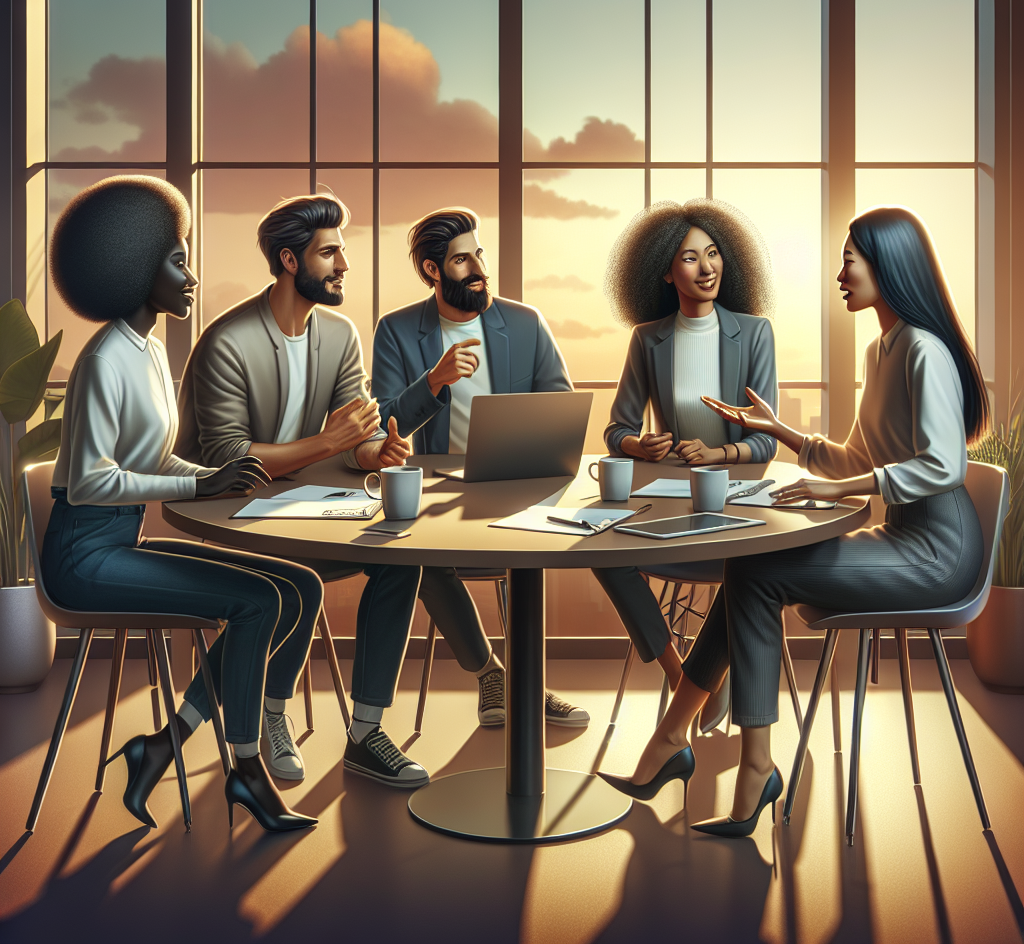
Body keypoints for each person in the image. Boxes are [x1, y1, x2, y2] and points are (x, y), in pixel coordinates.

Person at [601, 206, 988, 838]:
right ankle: (687, 744)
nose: (841, 273)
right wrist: (779, 432)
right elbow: (861, 455)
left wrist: (848, 485)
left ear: (889, 267)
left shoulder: (923, 350)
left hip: (940, 553)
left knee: (756, 574)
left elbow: (943, 467)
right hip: (903, 537)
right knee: (749, 567)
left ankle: (725, 758)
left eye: (850, 259)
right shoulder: (882, 348)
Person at [43, 175, 318, 832]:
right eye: (177, 259)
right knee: (258, 603)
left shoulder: (152, 352)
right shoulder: (105, 360)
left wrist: (221, 472)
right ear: (133, 268)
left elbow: (157, 459)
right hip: (82, 558)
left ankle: (162, 745)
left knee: (299, 587)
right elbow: (89, 482)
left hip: (120, 543)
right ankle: (247, 773)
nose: (191, 274)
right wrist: (198, 487)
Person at [177, 192, 429, 788]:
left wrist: (375, 450)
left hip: (302, 511)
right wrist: (327, 443)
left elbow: (349, 439)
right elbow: (227, 459)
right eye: (330, 253)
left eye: (341, 251)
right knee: (300, 581)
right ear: (291, 261)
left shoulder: (339, 335)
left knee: (402, 556)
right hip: (231, 516)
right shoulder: (228, 342)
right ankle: (270, 710)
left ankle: (366, 733)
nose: (344, 265)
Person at [372, 207, 590, 727]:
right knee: (411, 555)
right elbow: (384, 424)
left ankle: (526, 679)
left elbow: (557, 403)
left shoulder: (525, 322)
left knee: (530, 547)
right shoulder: (398, 331)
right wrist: (433, 382)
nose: (477, 268)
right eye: (462, 259)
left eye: (479, 254)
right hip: (435, 494)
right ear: (432, 270)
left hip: (516, 484)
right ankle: (492, 672)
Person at [595, 198, 778, 728]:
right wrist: (639, 446)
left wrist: (719, 453)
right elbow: (617, 429)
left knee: (756, 569)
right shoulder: (647, 340)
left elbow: (766, 442)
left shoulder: (754, 333)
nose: (707, 268)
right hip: (667, 500)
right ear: (666, 272)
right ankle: (683, 676)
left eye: (715, 254)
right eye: (691, 258)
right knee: (605, 551)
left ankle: (699, 688)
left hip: (737, 507)